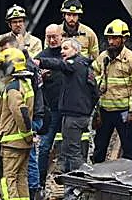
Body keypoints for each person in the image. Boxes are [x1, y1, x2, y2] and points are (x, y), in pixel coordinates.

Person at [38, 37, 99, 173]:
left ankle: (78, 184)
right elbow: (95, 92)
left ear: (76, 50)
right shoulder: (84, 66)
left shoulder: (75, 64)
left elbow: (60, 64)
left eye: (66, 48)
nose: (62, 52)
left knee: (72, 152)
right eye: (61, 49)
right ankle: (71, 185)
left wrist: (40, 61)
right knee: (68, 150)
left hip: (74, 116)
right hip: (75, 114)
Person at [0, 46, 36, 200]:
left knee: (6, 177)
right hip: (22, 142)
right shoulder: (26, 83)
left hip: (12, 142)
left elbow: (20, 112)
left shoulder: (12, 88)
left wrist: (27, 134)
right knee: (21, 177)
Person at [93, 19, 132, 163]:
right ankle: (97, 175)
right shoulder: (103, 57)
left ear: (124, 38)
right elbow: (93, 74)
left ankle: (130, 176)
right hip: (105, 110)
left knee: (129, 148)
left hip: (124, 112)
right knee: (99, 147)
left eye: (115, 38)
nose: (111, 42)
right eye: (109, 38)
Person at [35, 25, 65, 182]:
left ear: (61, 36)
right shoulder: (40, 57)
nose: (52, 40)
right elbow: (32, 84)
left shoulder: (67, 54)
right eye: (49, 37)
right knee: (45, 147)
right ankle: (40, 183)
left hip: (68, 110)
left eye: (55, 36)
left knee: (70, 147)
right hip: (50, 110)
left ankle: (71, 180)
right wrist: (40, 77)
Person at [0, 5, 43, 75]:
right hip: (5, 82)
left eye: (20, 21)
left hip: (27, 82)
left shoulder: (36, 42)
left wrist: (22, 48)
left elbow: (35, 66)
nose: (18, 24)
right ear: (9, 24)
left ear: (24, 23)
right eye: (14, 22)